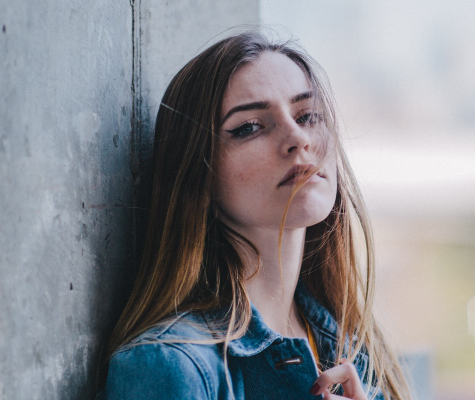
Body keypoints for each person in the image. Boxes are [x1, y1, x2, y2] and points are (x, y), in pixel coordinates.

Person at [99, 30, 412, 400]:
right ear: (199, 173)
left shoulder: (358, 348)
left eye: (308, 115)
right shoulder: (167, 365)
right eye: (249, 127)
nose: (299, 138)